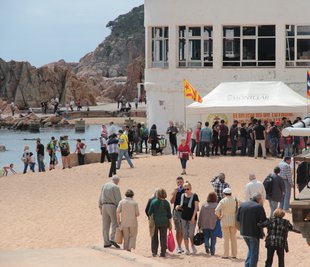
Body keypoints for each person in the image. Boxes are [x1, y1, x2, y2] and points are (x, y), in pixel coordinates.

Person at [237, 193, 267, 267]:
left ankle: (247, 265)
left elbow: (237, 218)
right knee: (254, 252)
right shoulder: (259, 207)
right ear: (259, 199)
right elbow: (264, 221)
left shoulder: (242, 205)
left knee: (251, 250)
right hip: (254, 233)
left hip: (243, 231)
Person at [175, 181, 199, 255]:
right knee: (185, 233)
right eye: (184, 189)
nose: (186, 190)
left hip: (192, 218)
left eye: (187, 189)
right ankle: (187, 249)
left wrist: (193, 217)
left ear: (190, 188)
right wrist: (177, 206)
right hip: (184, 217)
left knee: (191, 233)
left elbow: (196, 208)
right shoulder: (182, 195)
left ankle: (192, 246)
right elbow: (181, 206)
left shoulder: (195, 196)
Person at [98, 175, 122, 249]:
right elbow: (118, 199)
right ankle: (112, 239)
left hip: (104, 206)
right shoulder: (116, 187)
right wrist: (119, 210)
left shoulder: (104, 185)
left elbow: (100, 197)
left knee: (105, 225)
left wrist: (100, 207)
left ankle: (106, 242)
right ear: (117, 181)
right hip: (112, 206)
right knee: (115, 223)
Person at [148, 188, 172, 257]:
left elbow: (149, 212)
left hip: (155, 222)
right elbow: (169, 215)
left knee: (154, 237)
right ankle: (163, 252)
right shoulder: (166, 203)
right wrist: (170, 223)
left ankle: (154, 252)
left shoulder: (154, 202)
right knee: (163, 238)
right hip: (164, 222)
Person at [215, 188, 238, 259]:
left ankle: (226, 254)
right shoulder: (235, 200)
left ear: (224, 194)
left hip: (224, 220)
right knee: (233, 238)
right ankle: (234, 254)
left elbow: (216, 210)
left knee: (226, 239)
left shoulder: (223, 201)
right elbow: (242, 205)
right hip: (233, 221)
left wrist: (219, 216)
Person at [170, 177, 185, 254]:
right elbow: (172, 201)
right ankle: (178, 246)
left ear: (183, 182)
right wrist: (175, 193)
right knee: (178, 230)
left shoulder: (185, 190)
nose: (179, 184)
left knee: (182, 230)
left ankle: (180, 245)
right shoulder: (175, 191)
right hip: (176, 212)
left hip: (184, 212)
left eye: (181, 182)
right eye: (178, 182)